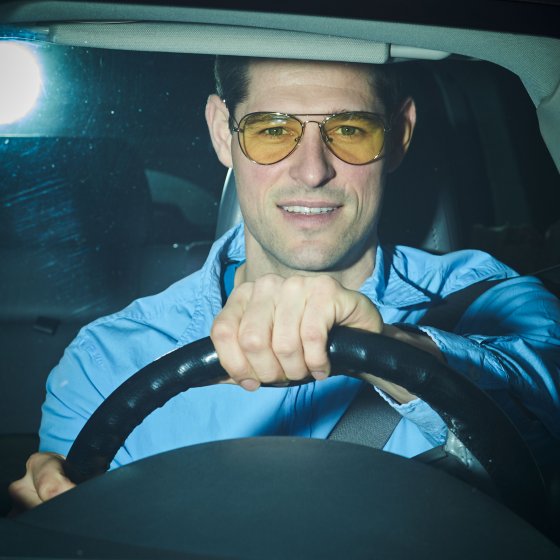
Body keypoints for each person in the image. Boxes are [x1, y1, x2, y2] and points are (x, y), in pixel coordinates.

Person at [9, 56, 560, 511]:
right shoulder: (108, 360)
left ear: (398, 136)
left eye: (350, 129)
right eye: (272, 130)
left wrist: (393, 349)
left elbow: (545, 440)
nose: (312, 170)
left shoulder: (492, 302)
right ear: (221, 133)